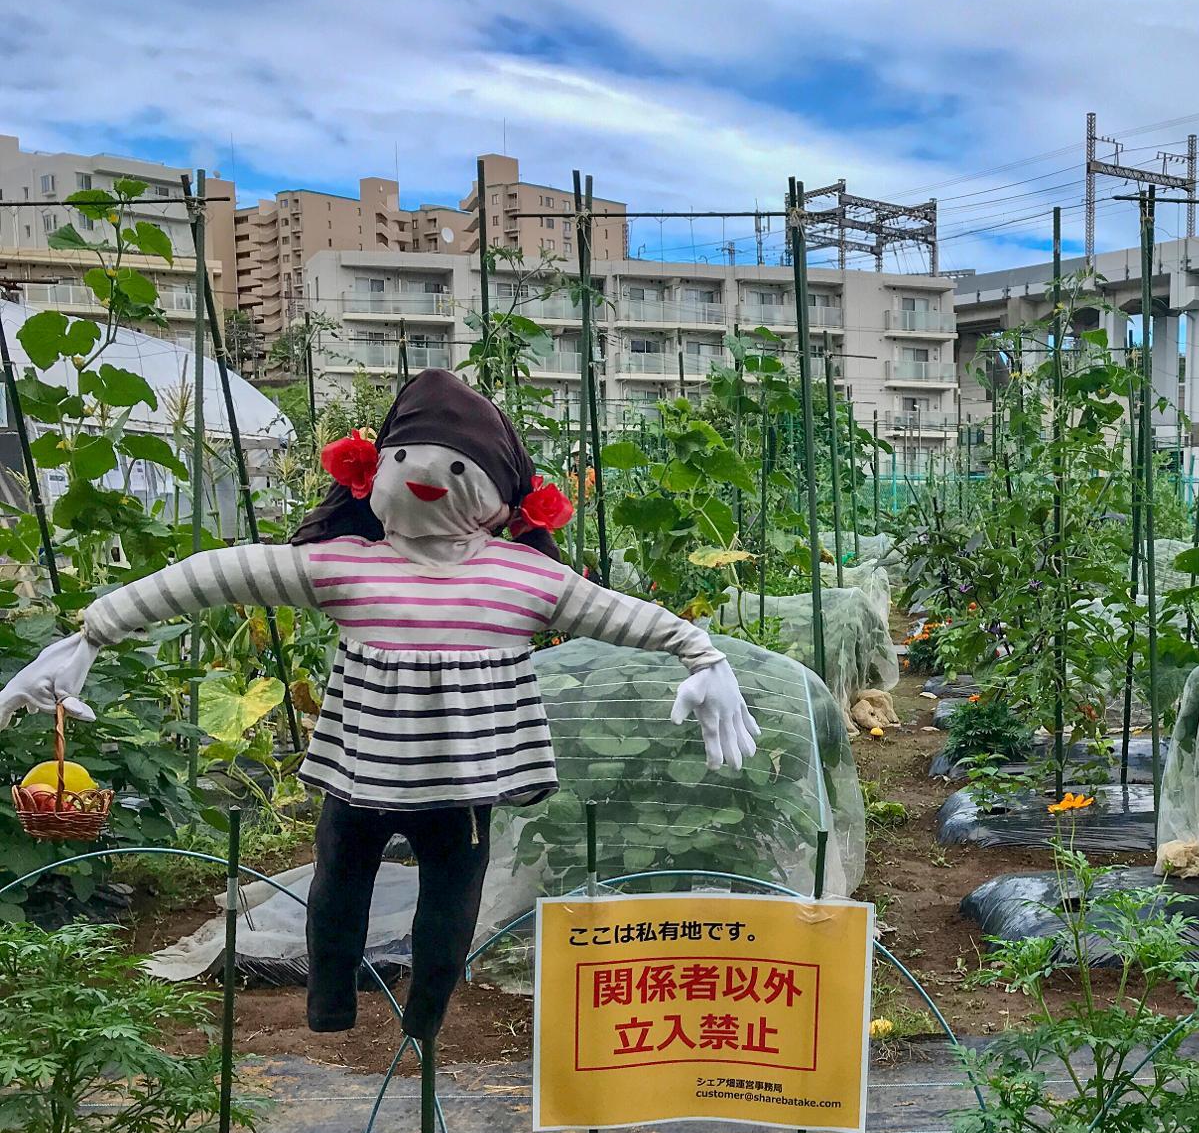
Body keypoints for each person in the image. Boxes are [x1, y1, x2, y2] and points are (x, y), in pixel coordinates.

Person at [1, 369, 760, 1039]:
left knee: (444, 901)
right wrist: (93, 633)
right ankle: (331, 1003)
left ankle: (426, 1017)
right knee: (339, 884)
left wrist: (703, 652)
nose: (425, 477)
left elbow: (622, 613)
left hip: (461, 779)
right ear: (374, 472)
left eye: (457, 468)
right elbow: (216, 573)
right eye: (403, 459)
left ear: (501, 497)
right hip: (367, 770)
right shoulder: (345, 567)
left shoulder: (524, 580)